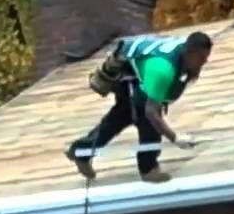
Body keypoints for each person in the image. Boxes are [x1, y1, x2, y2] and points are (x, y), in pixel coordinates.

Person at [66, 31, 213, 182]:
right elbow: (151, 111)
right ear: (189, 52)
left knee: (120, 117)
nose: (205, 61)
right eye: (202, 58)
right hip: (128, 74)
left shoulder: (186, 52)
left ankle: (82, 152)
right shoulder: (162, 70)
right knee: (146, 118)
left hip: (140, 70)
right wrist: (175, 138)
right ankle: (148, 169)